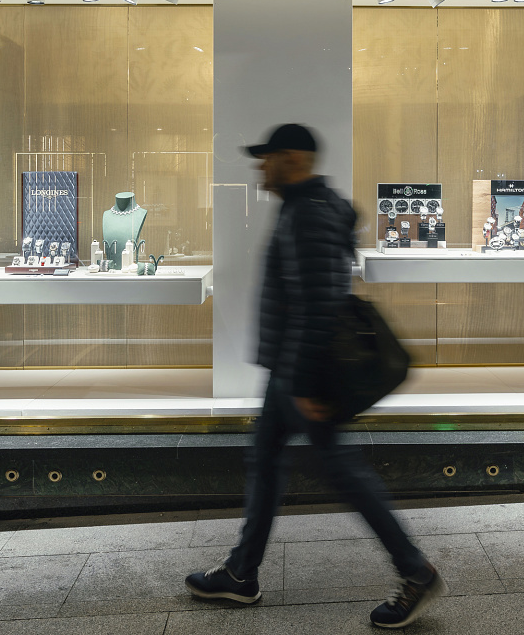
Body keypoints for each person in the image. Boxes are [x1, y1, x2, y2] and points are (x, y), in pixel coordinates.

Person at [185, 123, 446, 629]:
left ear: (294, 159)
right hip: (288, 370)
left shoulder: (309, 215)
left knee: (342, 471)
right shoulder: (301, 208)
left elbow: (319, 305)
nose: (260, 167)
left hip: (300, 375)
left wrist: (304, 385)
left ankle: (417, 572)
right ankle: (241, 573)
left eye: (268, 158)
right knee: (266, 461)